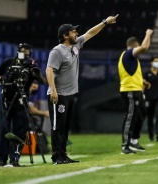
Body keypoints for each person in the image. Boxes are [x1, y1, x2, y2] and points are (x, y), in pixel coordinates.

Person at [46, 14, 119, 164]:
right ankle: (56, 157)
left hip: (70, 94)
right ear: (65, 35)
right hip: (59, 94)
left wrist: (104, 22)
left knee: (65, 127)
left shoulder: (75, 45)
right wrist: (53, 90)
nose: (76, 33)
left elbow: (90, 33)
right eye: (73, 32)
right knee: (57, 126)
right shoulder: (57, 51)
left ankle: (63, 155)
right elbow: (49, 70)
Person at [0, 43, 47, 167]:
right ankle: (2, 159)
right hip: (6, 99)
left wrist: (38, 75)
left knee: (19, 131)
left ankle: (14, 158)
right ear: (18, 51)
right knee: (4, 129)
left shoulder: (31, 66)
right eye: (23, 51)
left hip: (21, 100)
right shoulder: (8, 62)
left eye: (27, 52)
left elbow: (43, 81)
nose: (25, 54)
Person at [118, 29, 153, 154]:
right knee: (130, 116)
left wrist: (143, 81)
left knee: (141, 113)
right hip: (130, 90)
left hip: (136, 90)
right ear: (134, 46)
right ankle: (125, 145)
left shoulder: (130, 58)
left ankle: (133, 140)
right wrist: (148, 34)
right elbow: (144, 47)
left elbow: (131, 73)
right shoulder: (128, 53)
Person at [143, 56, 158, 142]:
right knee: (150, 117)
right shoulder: (147, 73)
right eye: (156, 61)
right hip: (149, 98)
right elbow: (143, 85)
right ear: (151, 62)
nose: (157, 63)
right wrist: (142, 95)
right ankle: (150, 134)